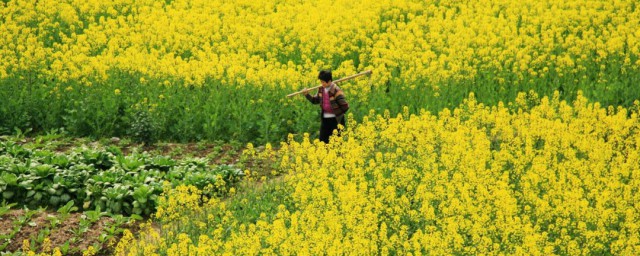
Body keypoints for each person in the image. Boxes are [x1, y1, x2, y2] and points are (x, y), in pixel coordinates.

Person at [301, 70, 349, 144]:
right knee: (323, 141)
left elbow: (345, 106)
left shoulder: (336, 90)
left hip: (336, 120)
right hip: (325, 119)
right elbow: (315, 100)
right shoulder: (321, 89)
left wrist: (339, 114)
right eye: (321, 82)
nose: (322, 84)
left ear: (329, 81)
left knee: (337, 142)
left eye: (323, 82)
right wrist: (307, 94)